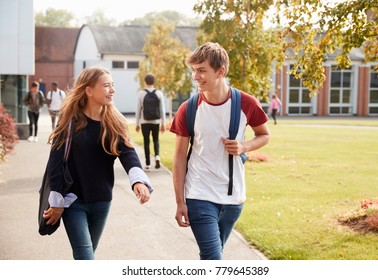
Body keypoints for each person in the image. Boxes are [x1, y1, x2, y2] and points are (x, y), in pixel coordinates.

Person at [170, 42, 270, 260]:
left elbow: (264, 135)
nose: (196, 76)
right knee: (212, 257)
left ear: (220, 71)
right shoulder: (188, 108)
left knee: (214, 255)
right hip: (199, 193)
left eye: (202, 70)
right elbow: (178, 158)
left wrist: (244, 146)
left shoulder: (246, 103)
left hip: (233, 199)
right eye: (194, 71)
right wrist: (180, 201)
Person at [43, 66, 153, 260]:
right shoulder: (69, 121)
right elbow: (55, 164)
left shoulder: (114, 121)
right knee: (85, 256)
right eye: (106, 85)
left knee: (87, 254)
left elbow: (127, 153)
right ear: (89, 90)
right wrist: (58, 201)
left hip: (102, 201)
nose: (112, 90)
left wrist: (138, 181)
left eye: (113, 85)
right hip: (73, 201)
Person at [135, 73, 166, 171]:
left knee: (146, 141)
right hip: (156, 121)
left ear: (145, 82)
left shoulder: (141, 94)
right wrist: (163, 123)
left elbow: (138, 110)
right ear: (154, 82)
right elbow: (162, 110)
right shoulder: (159, 93)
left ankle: (148, 163)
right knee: (156, 139)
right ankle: (157, 156)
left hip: (145, 121)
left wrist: (137, 123)